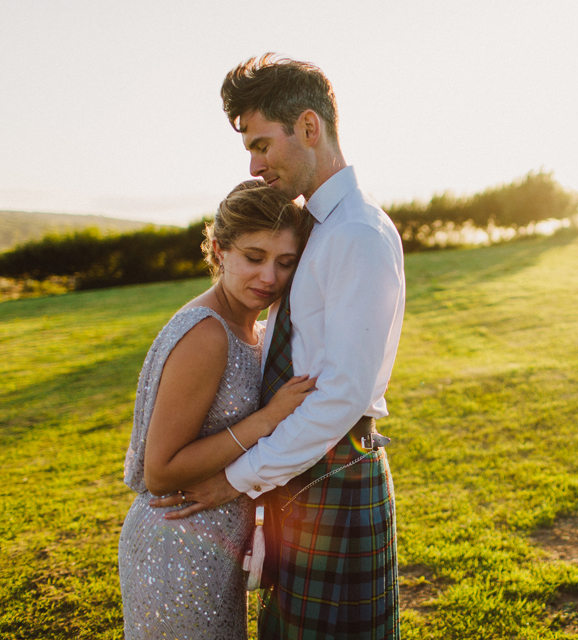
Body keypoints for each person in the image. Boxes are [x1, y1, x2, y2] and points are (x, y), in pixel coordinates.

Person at [152, 54, 406, 639]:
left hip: (335, 478)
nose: (253, 163)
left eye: (263, 144)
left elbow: (341, 394)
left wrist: (237, 478)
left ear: (309, 128)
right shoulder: (316, 226)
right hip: (303, 481)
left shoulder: (357, 233)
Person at [118, 181, 317, 639]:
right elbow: (160, 472)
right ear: (219, 249)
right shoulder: (207, 335)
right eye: (254, 257)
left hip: (215, 546)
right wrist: (266, 420)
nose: (269, 277)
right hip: (177, 547)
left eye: (284, 263)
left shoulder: (255, 328)